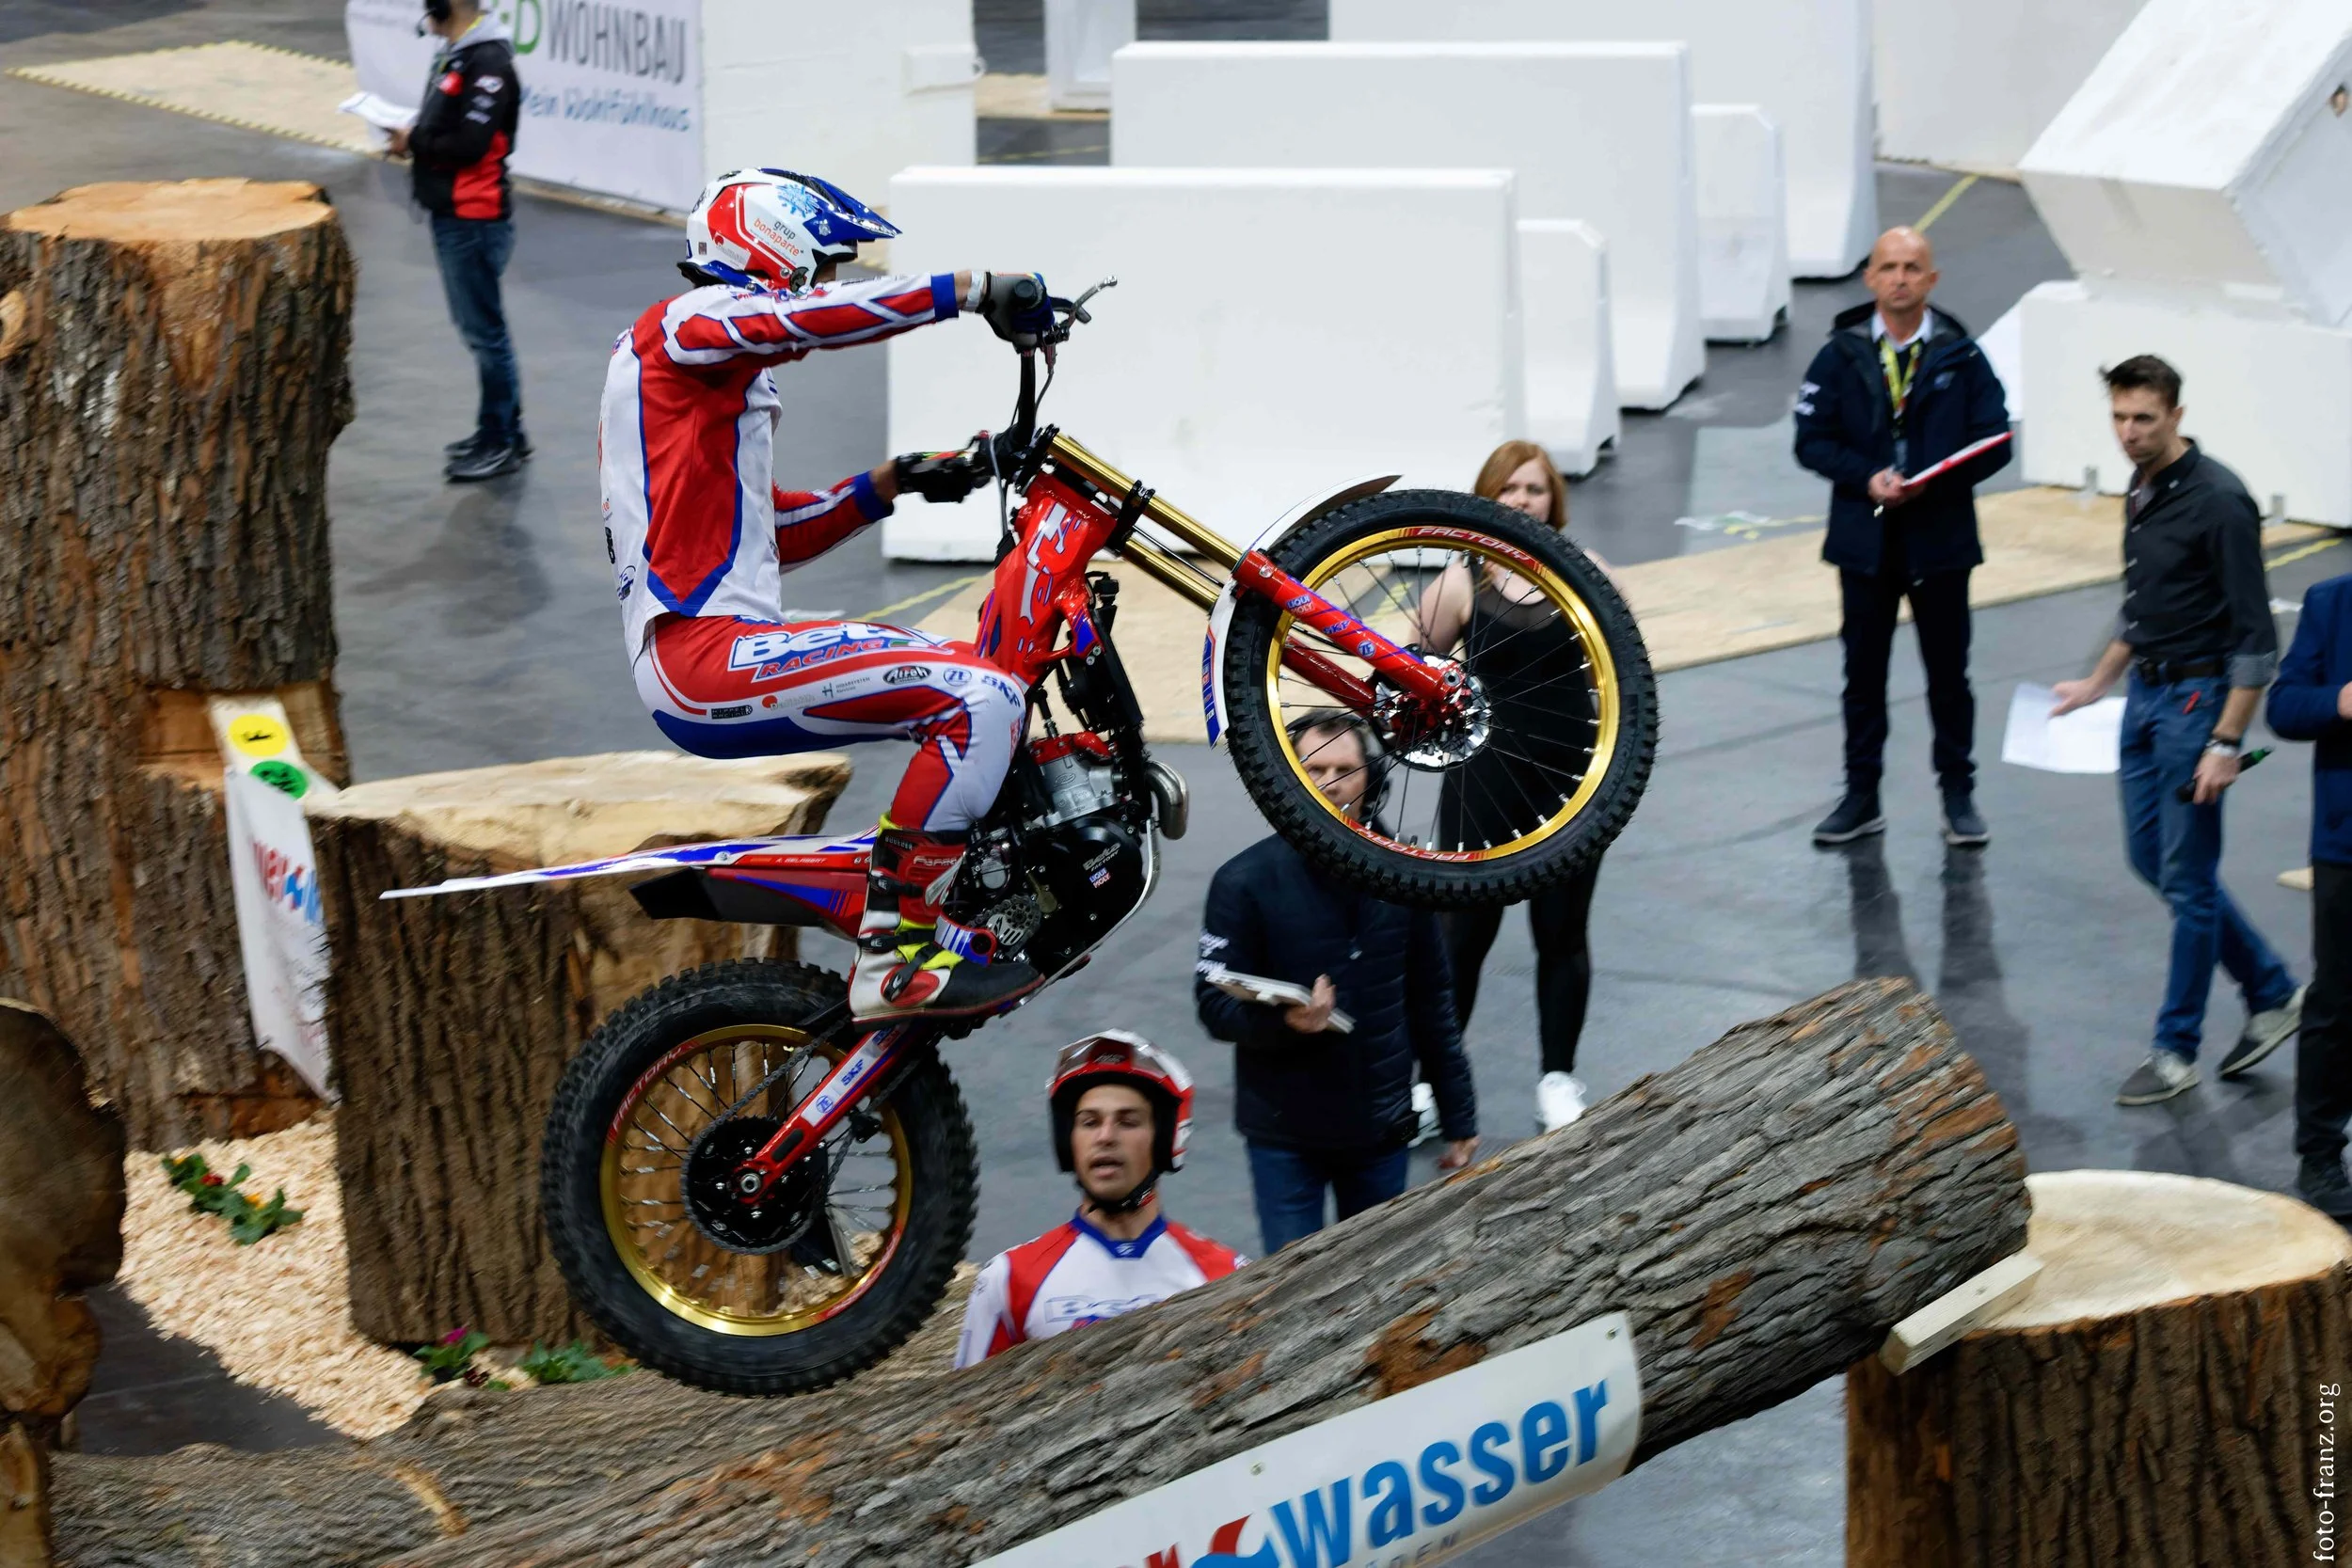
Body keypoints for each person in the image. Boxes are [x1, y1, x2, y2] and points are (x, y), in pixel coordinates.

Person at [600, 166, 1059, 1022]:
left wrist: (898, 481)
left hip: (709, 652)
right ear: (771, 247)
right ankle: (896, 947)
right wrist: (972, 290)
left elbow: (771, 534)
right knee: (981, 698)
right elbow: (802, 318)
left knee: (975, 675)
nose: (831, 283)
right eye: (824, 264)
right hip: (704, 656)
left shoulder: (700, 369)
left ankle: (935, 896)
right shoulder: (686, 323)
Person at [2050, 355, 2303, 1106]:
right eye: (2119, 417)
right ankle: (2272, 989)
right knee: (2150, 859)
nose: (2128, 433)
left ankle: (2175, 1049)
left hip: (2197, 706)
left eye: (2144, 419)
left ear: (2177, 416)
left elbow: (2256, 637)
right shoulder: (2143, 485)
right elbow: (2144, 605)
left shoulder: (2221, 501)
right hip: (2144, 697)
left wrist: (2226, 742)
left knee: (2188, 880)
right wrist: (2099, 680)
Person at [1196, 709, 1479, 1255]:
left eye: (1345, 769)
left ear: (1371, 776)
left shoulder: (1405, 872)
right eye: (1315, 769)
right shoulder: (1241, 882)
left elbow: (1431, 999)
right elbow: (1212, 1003)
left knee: (1377, 1285)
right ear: (1288, 775)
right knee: (1290, 1287)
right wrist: (1286, 1022)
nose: (1330, 783)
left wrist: (1459, 1112)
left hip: (1381, 1130)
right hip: (1284, 1137)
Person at [1794, 226, 2012, 848]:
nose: (1899, 278)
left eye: (1912, 268)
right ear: (1869, 277)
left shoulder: (1961, 355)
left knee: (1950, 675)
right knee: (1863, 677)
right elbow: (1810, 441)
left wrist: (1933, 482)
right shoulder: (1838, 354)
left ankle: (1958, 794)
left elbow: (1996, 438)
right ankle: (1861, 796)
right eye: (1888, 267)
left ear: (1931, 279)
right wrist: (1866, 476)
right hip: (1864, 545)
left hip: (1940, 541)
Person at [1415, 439, 1608, 1132]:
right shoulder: (1460, 580)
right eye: (1509, 488)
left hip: (1570, 779)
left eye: (1534, 488)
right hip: (1483, 776)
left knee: (1562, 932)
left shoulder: (1586, 574)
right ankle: (1432, 1086)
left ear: (1554, 499)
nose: (1522, 500)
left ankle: (1557, 1078)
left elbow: (1626, 680)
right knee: (1461, 937)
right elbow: (1412, 674)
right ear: (1487, 496)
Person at [954, 1034, 1243, 1366]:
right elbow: (964, 1399)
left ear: (1166, 1141)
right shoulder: (1008, 1279)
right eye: (1089, 1122)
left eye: (1128, 1122)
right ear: (1068, 1141)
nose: (1105, 1137)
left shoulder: (1227, 1274)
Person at [389, 0, 529, 483]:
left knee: (485, 333)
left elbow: (470, 145)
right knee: (481, 329)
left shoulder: (487, 63)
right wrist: (415, 137)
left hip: (474, 219)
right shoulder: (459, 54)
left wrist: (413, 142)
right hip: (457, 215)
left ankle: (500, 441)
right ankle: (505, 430)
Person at [2261, 574, 2352, 1220]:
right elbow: (2285, 705)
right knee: (2339, 999)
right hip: (2347, 841)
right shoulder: (2333, 601)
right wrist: (2340, 700)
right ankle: (2319, 1152)